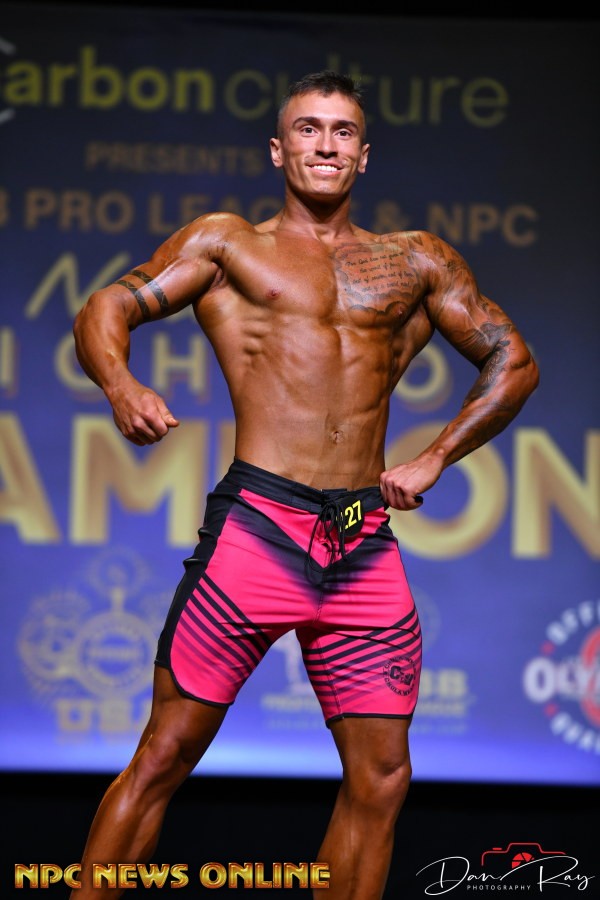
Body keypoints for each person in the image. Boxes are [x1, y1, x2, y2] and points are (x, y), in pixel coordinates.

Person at [71, 70, 539, 899]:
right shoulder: (228, 246)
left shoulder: (416, 261)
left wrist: (436, 456)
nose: (326, 145)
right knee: (165, 754)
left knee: (383, 778)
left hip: (361, 542)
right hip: (258, 528)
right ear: (278, 149)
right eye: (309, 129)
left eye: (343, 132)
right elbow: (107, 306)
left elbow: (514, 362)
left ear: (364, 155)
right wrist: (121, 385)